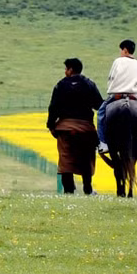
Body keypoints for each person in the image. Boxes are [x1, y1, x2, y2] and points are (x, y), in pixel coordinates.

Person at [46, 57, 103, 195]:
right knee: (87, 158)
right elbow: (99, 105)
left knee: (66, 160)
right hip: (85, 129)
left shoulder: (60, 85)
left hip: (65, 129)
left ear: (71, 70)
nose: (65, 71)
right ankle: (87, 189)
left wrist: (51, 125)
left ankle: (69, 191)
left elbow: (53, 108)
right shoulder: (89, 84)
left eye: (66, 69)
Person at [105, 38, 137, 151]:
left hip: (117, 95)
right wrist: (136, 89)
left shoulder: (117, 62)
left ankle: (103, 142)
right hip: (133, 95)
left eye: (121, 50)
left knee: (101, 112)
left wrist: (114, 88)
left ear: (125, 50)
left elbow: (111, 78)